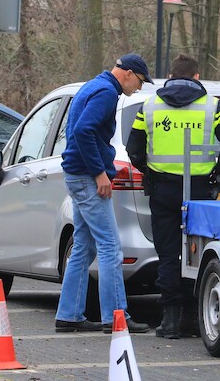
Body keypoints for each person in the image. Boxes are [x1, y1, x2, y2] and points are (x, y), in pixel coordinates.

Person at [126, 54, 220, 339]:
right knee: (199, 254)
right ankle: (194, 319)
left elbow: (134, 149)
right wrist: (218, 176)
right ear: (196, 77)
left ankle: (170, 322)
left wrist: (149, 172)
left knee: (167, 255)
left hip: (163, 190)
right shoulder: (212, 106)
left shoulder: (149, 105)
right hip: (199, 191)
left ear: (170, 76)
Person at [55, 54, 152, 334]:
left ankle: (69, 314)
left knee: (84, 247)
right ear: (128, 73)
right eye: (140, 82)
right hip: (87, 177)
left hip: (76, 175)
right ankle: (116, 317)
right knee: (111, 247)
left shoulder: (93, 86)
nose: (139, 88)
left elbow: (84, 132)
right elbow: (84, 132)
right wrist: (99, 173)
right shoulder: (107, 93)